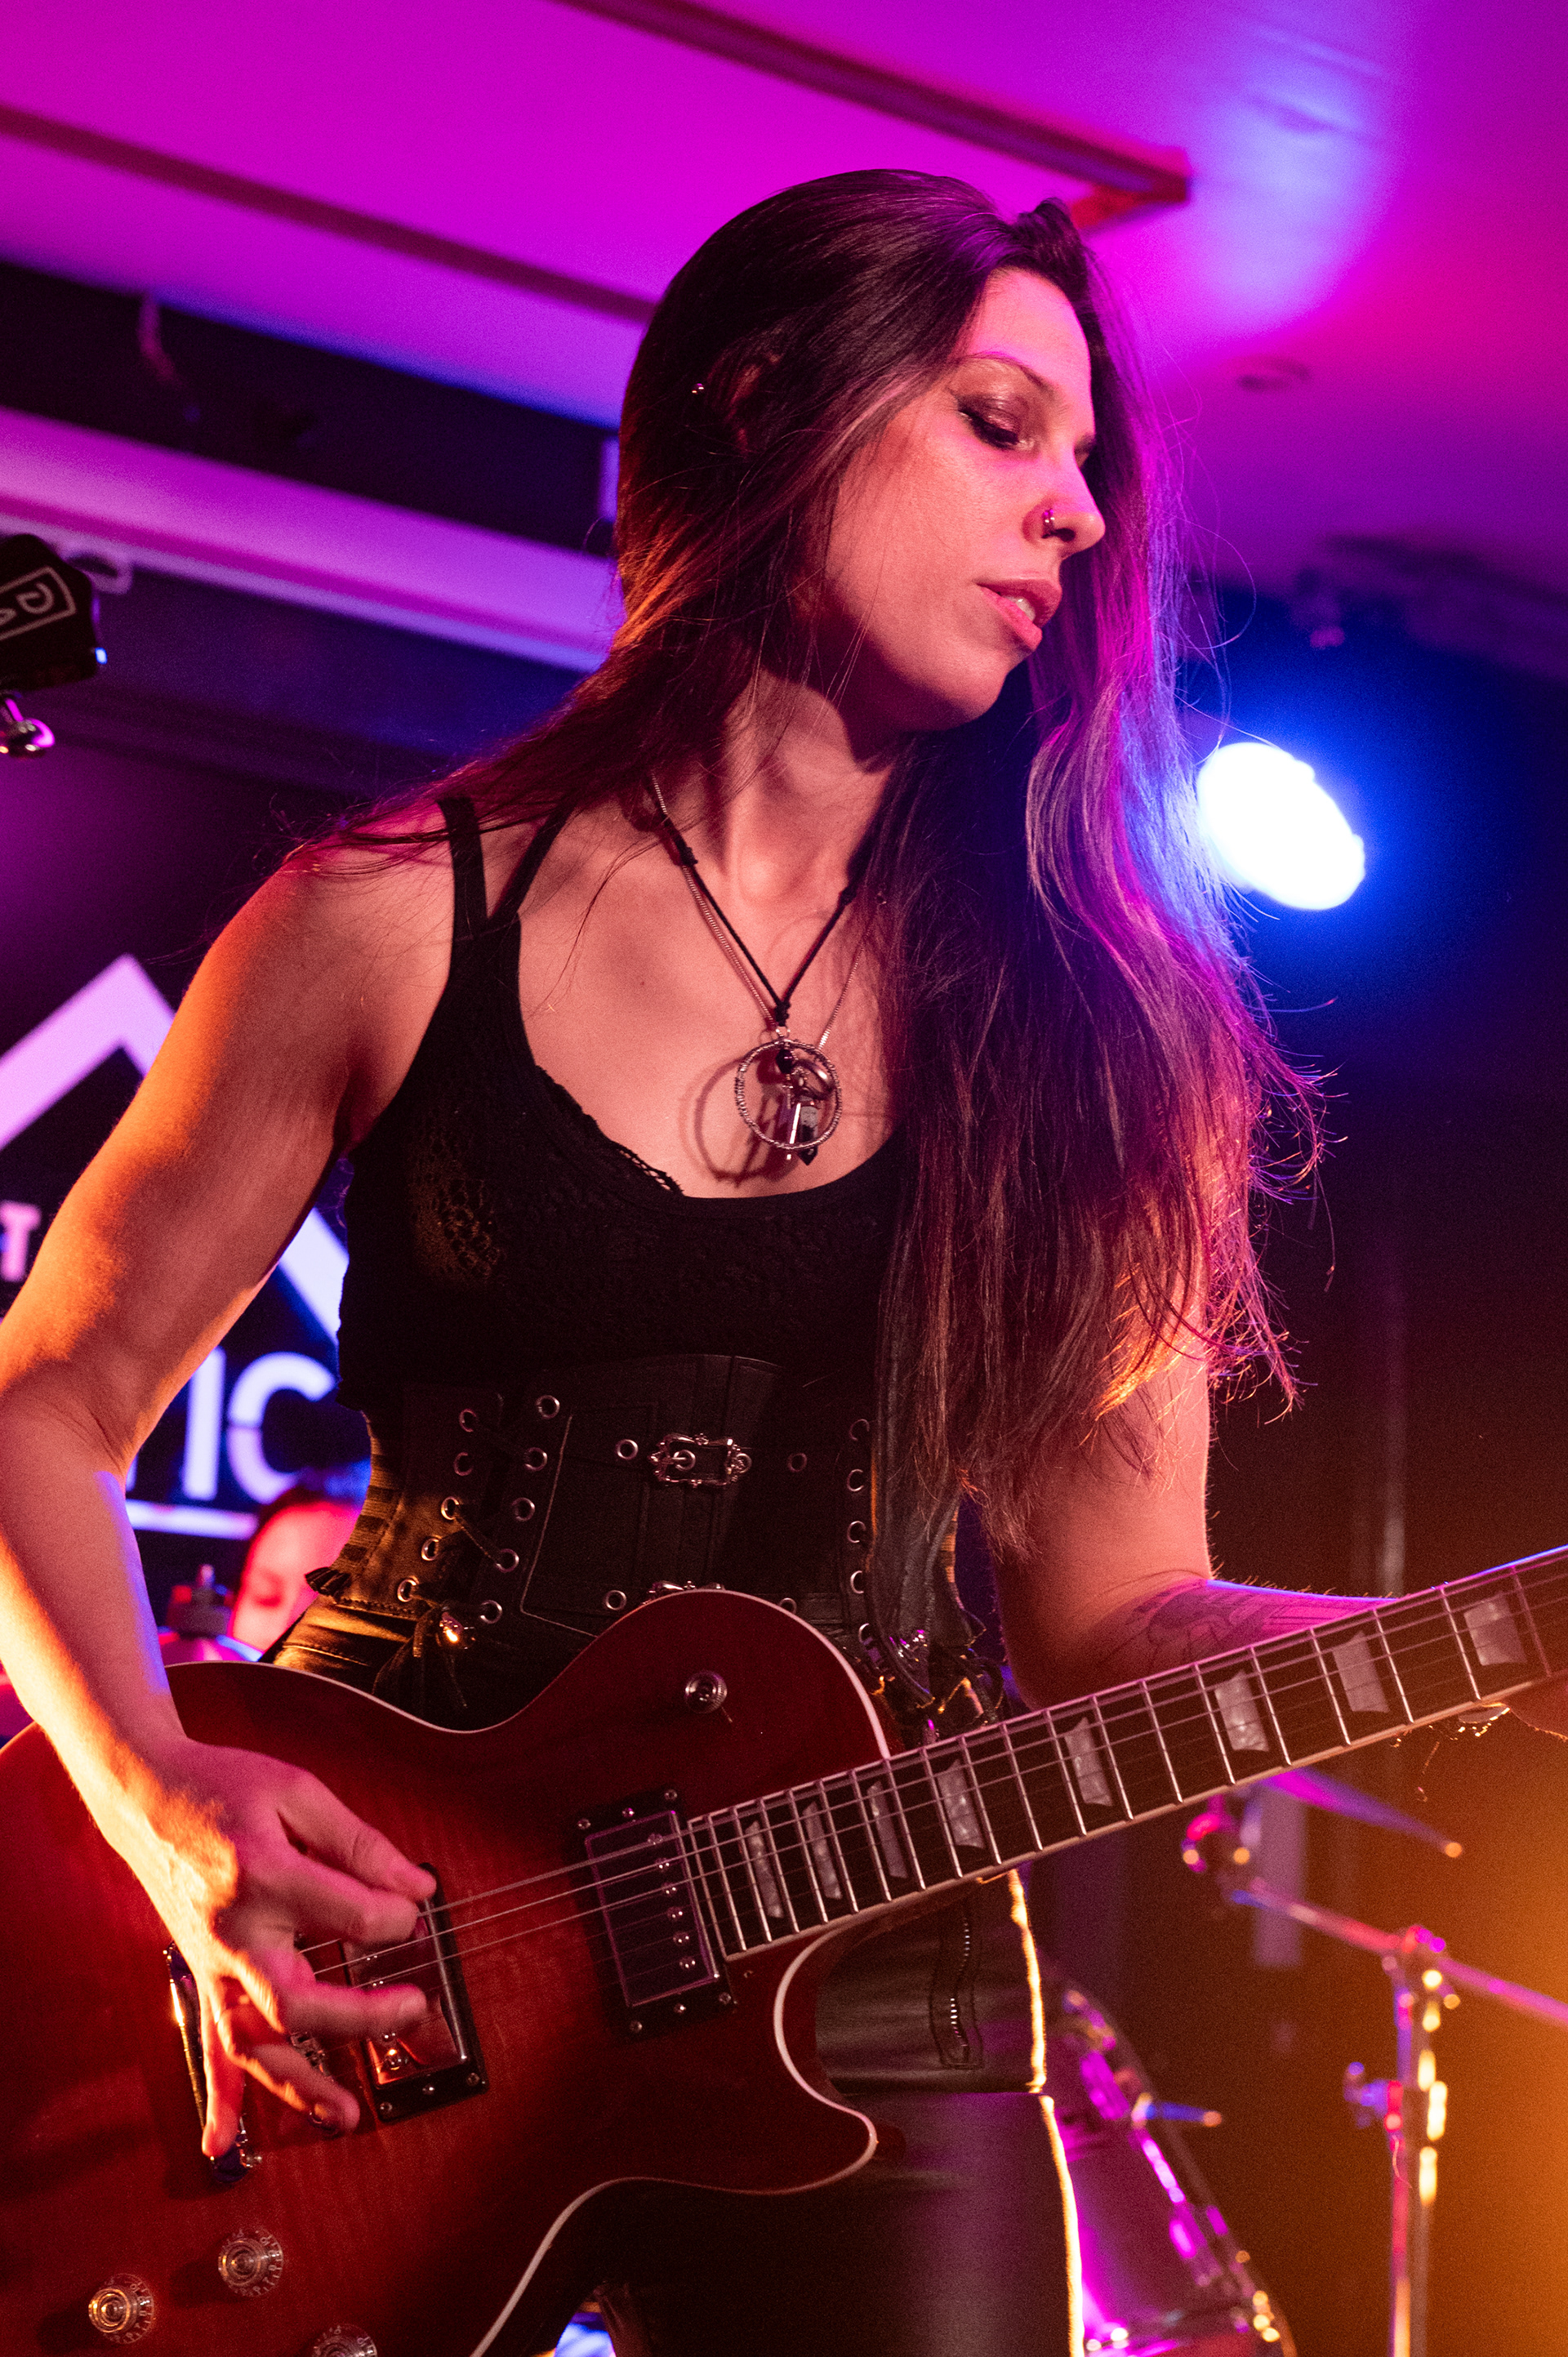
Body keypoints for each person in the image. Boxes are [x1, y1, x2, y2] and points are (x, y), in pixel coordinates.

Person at [0, 171, 1556, 2356]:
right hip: (383, 1946)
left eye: (1089, 460)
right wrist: (166, 1806)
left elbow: (1116, 1614)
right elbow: (44, 1401)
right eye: (1001, 424)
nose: (1079, 512)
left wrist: (1481, 1646)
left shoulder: (1107, 1031)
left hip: (885, 1981)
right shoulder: (381, 919)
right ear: (763, 410)